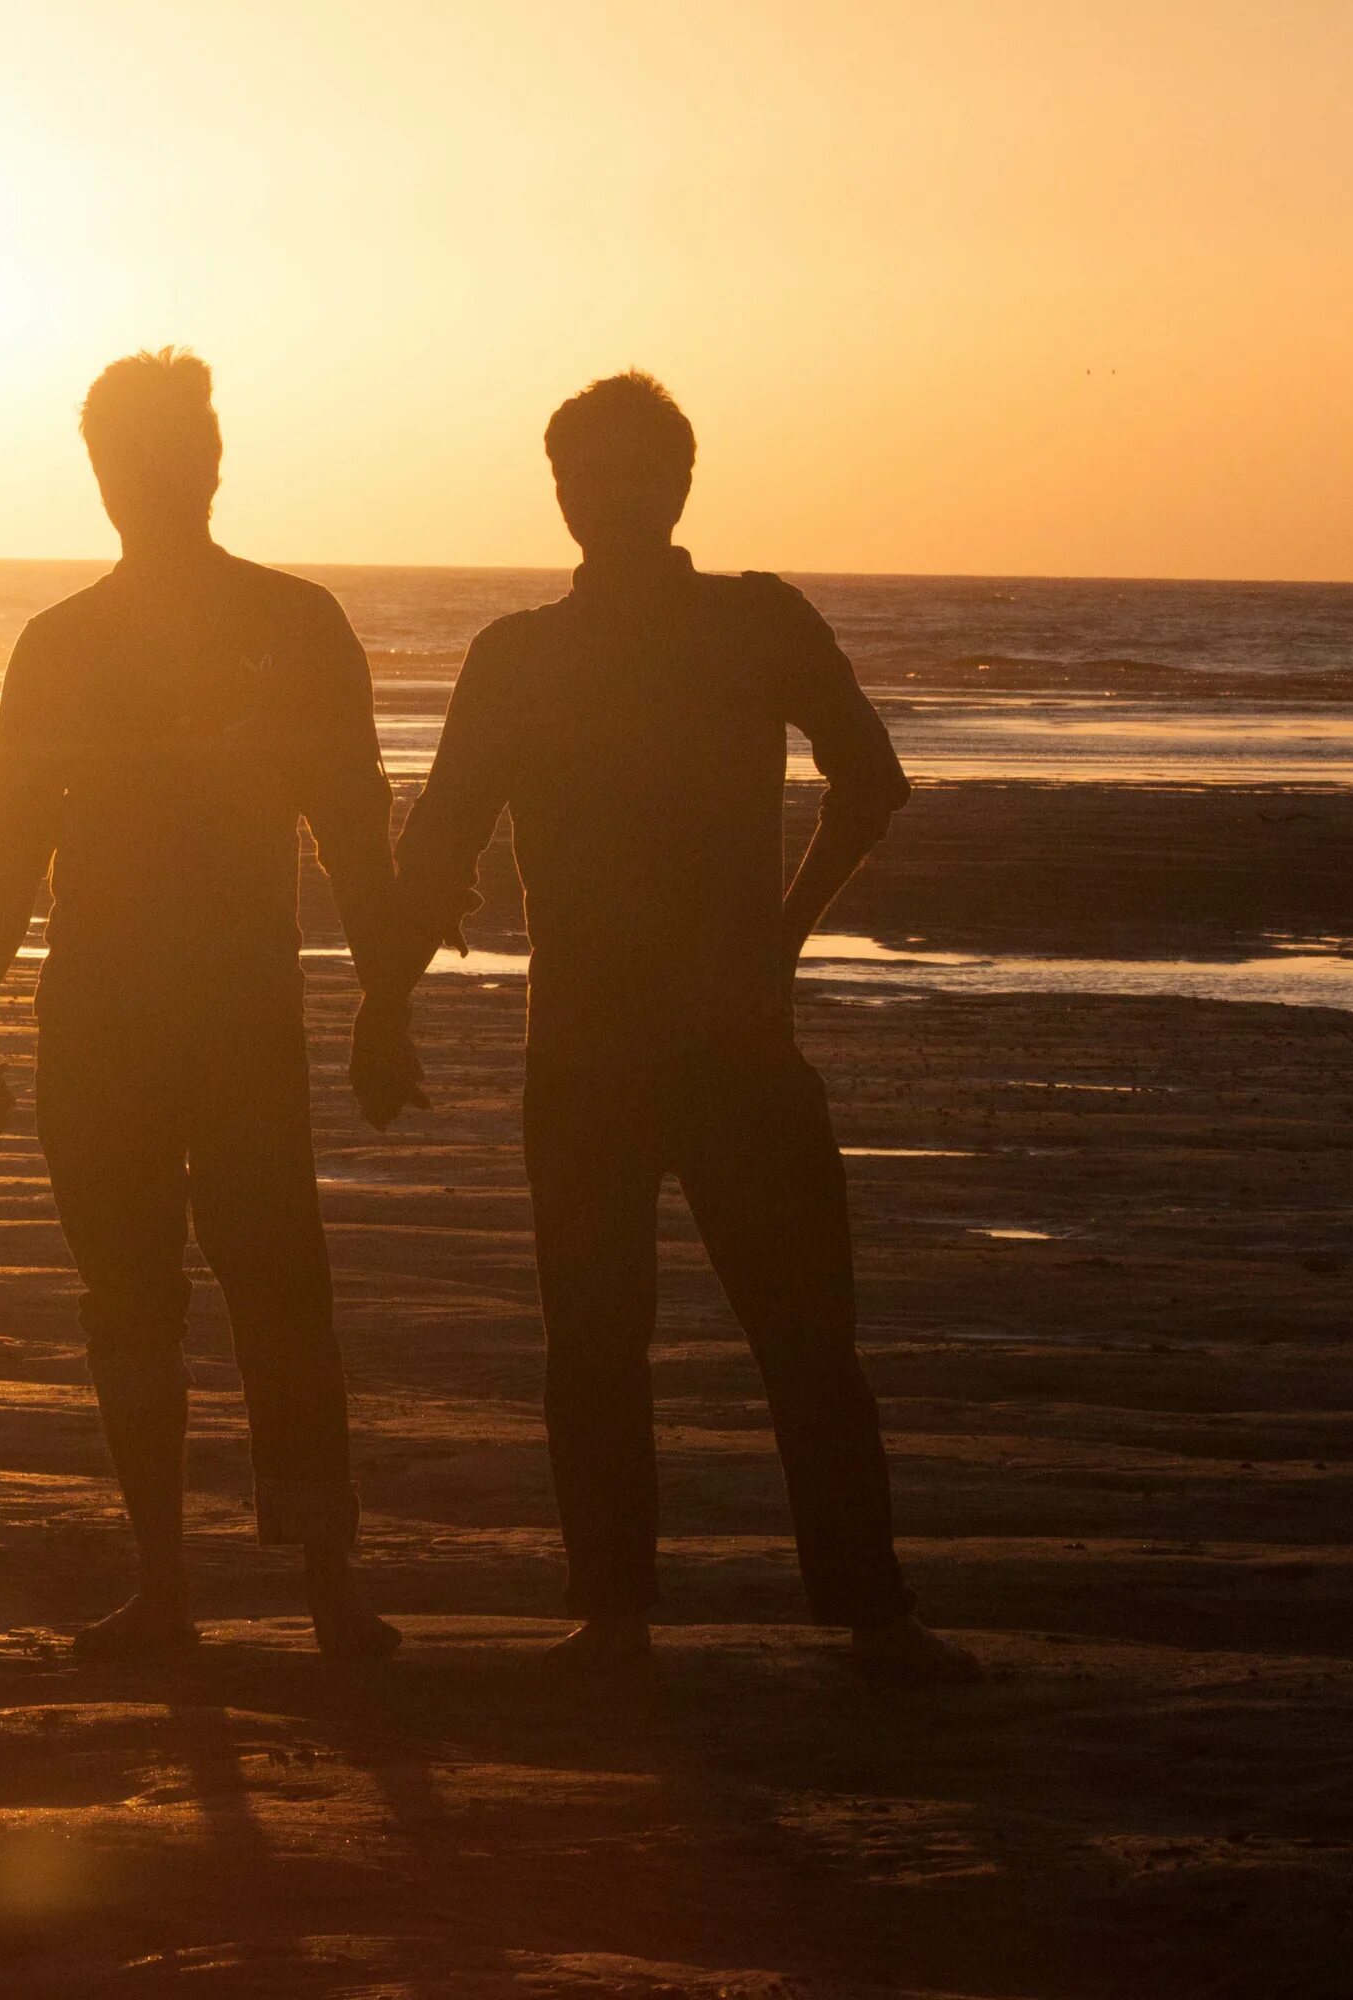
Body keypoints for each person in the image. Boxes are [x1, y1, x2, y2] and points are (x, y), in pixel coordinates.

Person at [385, 372, 980, 1683]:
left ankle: (869, 1615)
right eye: (585, 474)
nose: (609, 494)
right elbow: (439, 844)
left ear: (680, 481)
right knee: (600, 1343)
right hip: (587, 1056)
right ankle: (614, 1616)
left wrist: (782, 930)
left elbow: (869, 782)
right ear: (560, 493)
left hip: (733, 1051)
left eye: (633, 469)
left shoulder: (750, 622)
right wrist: (383, 1004)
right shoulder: (521, 655)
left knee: (806, 1340)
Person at [0, 349, 418, 1661]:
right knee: (162, 1297)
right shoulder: (82, 643)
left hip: (216, 1014)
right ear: (112, 474)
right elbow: (13, 850)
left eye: (172, 450)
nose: (156, 475)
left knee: (251, 1288)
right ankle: (184, 1587)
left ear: (210, 462)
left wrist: (387, 1001)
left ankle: (293, 1584)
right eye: (137, 455)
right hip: (112, 1018)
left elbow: (355, 839)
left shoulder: (286, 628)